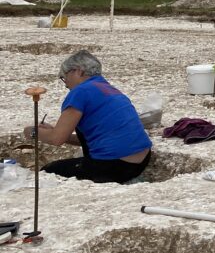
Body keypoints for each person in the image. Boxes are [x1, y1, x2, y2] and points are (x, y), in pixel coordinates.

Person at [25, 50, 152, 184]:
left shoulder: (80, 92)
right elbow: (99, 136)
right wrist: (58, 131)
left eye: (64, 76)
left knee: (49, 170)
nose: (65, 83)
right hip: (141, 161)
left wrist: (32, 132)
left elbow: (57, 139)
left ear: (78, 71)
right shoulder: (109, 89)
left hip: (114, 164)